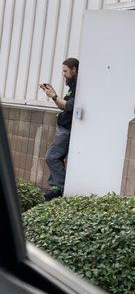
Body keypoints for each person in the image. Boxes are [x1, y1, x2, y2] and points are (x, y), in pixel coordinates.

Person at [40, 58, 79, 201]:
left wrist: (54, 96)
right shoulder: (72, 86)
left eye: (65, 71)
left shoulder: (78, 88)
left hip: (67, 130)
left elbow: (69, 106)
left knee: (51, 157)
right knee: (54, 157)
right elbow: (63, 106)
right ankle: (57, 187)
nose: (63, 74)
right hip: (63, 128)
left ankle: (60, 188)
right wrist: (53, 95)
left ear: (74, 70)